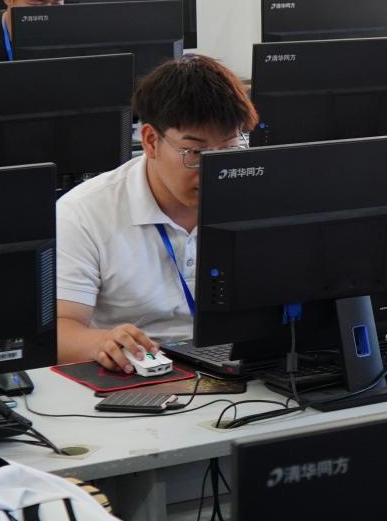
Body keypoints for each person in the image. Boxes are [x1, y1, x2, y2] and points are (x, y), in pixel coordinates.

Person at [55, 54, 256, 372]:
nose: (214, 169)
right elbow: (61, 329)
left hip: (240, 368)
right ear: (150, 141)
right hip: (139, 375)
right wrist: (101, 342)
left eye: (229, 149)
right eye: (195, 152)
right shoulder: (83, 213)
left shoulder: (261, 198)